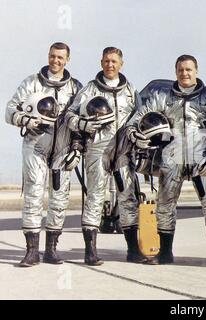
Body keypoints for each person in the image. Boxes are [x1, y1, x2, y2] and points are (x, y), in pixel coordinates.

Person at [126, 55, 206, 266]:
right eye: (181, 70)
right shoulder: (162, 96)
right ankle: (165, 253)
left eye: (189, 69)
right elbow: (140, 115)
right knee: (164, 205)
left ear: (196, 71)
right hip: (172, 157)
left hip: (202, 158)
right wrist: (134, 132)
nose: (185, 74)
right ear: (176, 72)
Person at [66, 47, 146, 265]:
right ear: (101, 62)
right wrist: (84, 124)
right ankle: (90, 251)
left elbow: (140, 117)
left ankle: (133, 250)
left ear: (121, 64)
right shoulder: (89, 90)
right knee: (94, 198)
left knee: (128, 199)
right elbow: (70, 116)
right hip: (97, 149)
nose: (110, 65)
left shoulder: (130, 90)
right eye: (106, 61)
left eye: (114, 61)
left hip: (123, 150)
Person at [5, 42, 82, 267]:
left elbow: (79, 119)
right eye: (52, 56)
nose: (55, 61)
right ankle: (31, 251)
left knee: (59, 200)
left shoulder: (75, 87)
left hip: (63, 150)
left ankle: (51, 250)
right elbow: (10, 110)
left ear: (67, 59)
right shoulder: (32, 83)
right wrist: (24, 119)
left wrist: (77, 148)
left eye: (60, 57)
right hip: (36, 146)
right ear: (48, 56)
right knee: (33, 196)